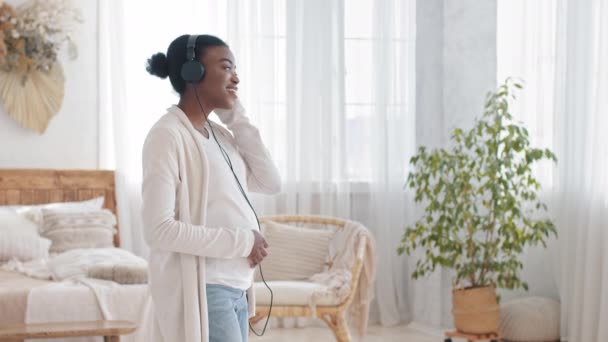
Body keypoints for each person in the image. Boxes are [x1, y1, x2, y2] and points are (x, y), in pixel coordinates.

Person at [142, 34, 281, 342]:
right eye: (226, 67)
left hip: (237, 285)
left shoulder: (219, 135)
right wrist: (244, 242)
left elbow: (270, 182)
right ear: (194, 72)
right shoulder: (167, 136)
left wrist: (234, 115)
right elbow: (158, 230)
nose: (237, 78)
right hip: (207, 288)